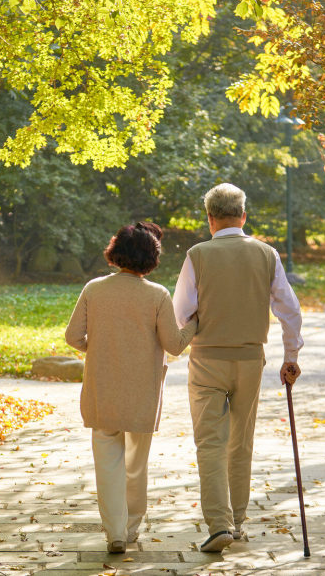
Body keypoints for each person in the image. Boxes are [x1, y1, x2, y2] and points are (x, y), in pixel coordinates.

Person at [173, 183, 303, 553]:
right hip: (250, 361)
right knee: (240, 442)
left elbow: (181, 312)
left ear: (210, 219)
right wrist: (290, 356)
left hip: (207, 359)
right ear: (244, 216)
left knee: (210, 443)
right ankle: (240, 521)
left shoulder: (198, 254)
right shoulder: (266, 254)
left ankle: (219, 524)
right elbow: (289, 310)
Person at [65, 222, 198, 555]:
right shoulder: (156, 295)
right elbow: (174, 343)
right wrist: (195, 322)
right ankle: (132, 526)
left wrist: (96, 349)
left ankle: (115, 533)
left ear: (116, 252)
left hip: (102, 389)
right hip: (142, 392)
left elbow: (72, 337)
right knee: (136, 464)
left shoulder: (94, 289)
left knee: (107, 463)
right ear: (151, 258)